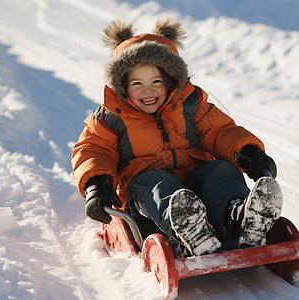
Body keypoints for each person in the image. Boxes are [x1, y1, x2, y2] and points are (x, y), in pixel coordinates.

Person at [71, 18, 283, 256]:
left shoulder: (191, 105)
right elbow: (93, 149)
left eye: (156, 82)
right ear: (122, 86)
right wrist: (96, 185)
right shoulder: (112, 117)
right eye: (137, 83)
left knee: (220, 170)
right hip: (144, 197)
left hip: (194, 182)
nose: (148, 90)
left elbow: (219, 131)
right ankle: (188, 228)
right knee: (157, 183)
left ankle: (239, 218)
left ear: (171, 82)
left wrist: (247, 151)